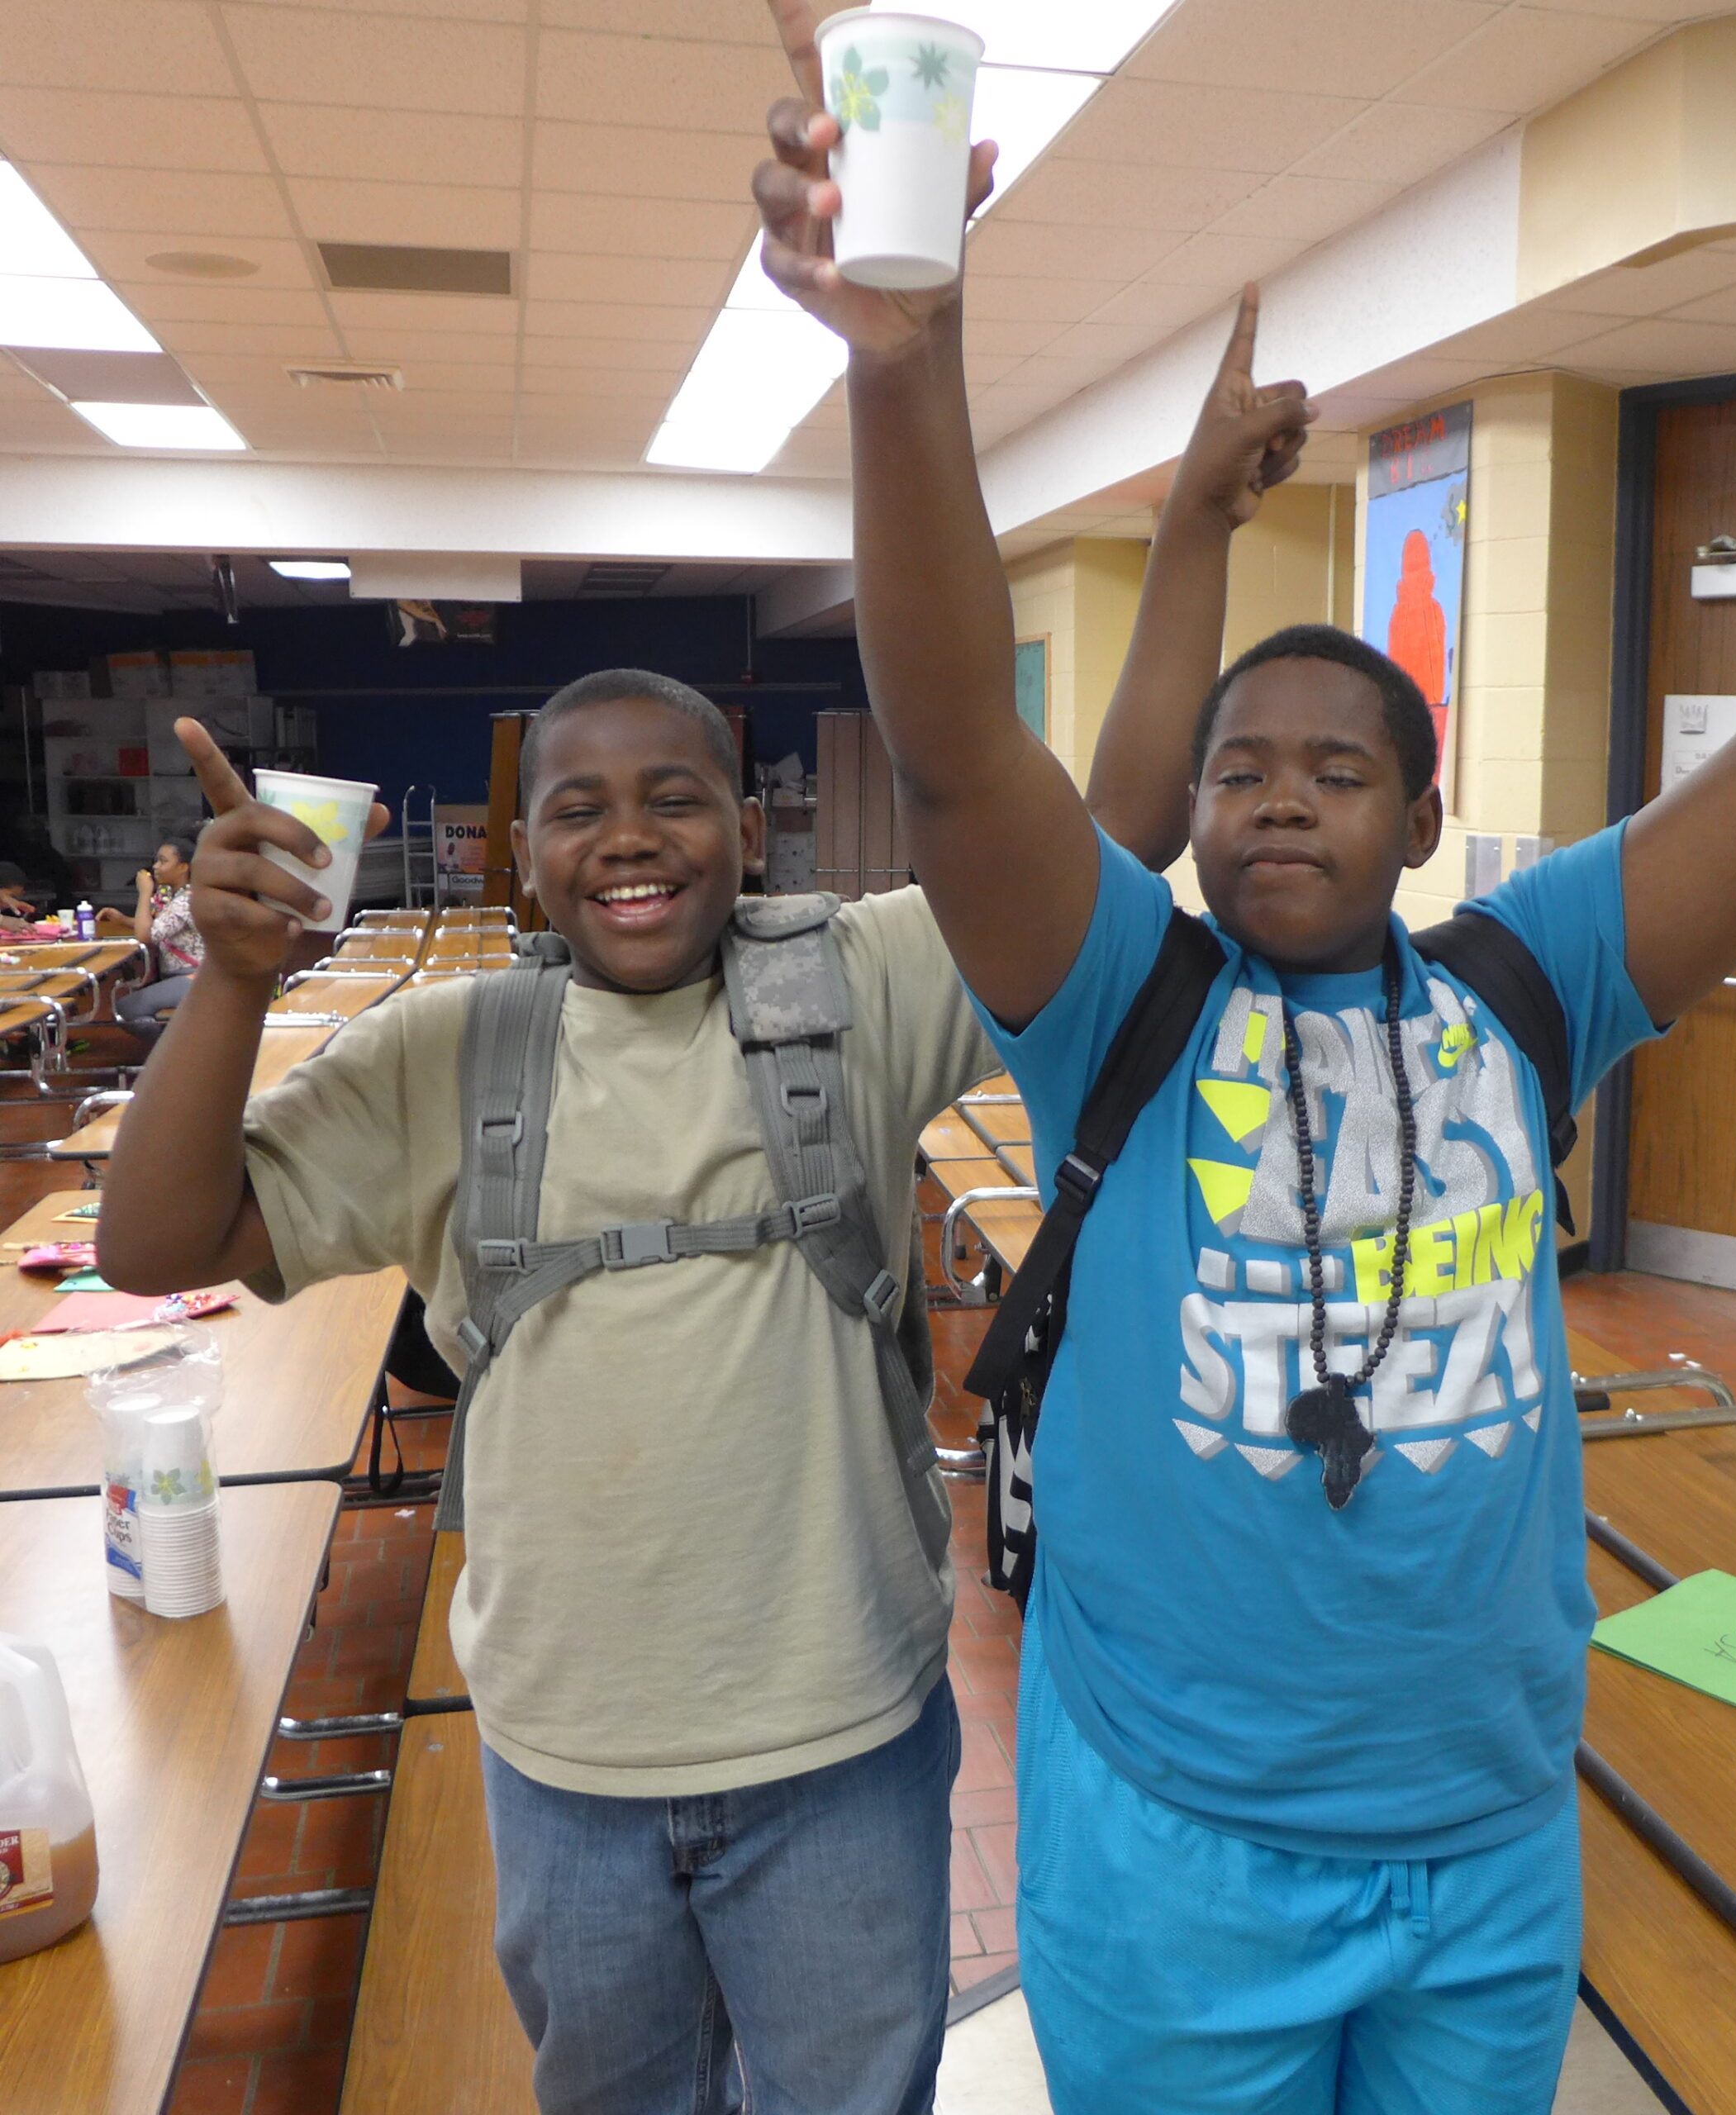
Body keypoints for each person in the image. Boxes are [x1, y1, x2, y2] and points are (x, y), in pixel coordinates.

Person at [754, 35, 1736, 2113]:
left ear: (1420, 820)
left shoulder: (1520, 984)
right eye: (1238, 770)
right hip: (1176, 1844)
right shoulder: (1119, 997)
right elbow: (949, 750)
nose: (1278, 800)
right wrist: (905, 374)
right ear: (1183, 814)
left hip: (1478, 1840)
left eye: (1335, 769)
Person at [91, 340, 1309, 2114]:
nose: (629, 837)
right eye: (575, 806)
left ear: (748, 829)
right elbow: (155, 1238)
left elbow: (1105, 841)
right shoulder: (446, 1052)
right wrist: (227, 981)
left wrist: (1193, 524)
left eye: (674, 796)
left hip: (842, 1740)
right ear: (522, 856)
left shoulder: (860, 975)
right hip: (564, 1755)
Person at [115, 835, 202, 1043]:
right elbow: (160, 928)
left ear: (183, 867)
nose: (155, 867)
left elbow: (145, 935)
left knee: (125, 1009)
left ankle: (172, 1052)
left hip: (192, 978)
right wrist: (120, 919)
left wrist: (145, 893)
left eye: (163, 861)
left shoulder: (185, 901)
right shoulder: (181, 896)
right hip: (187, 975)